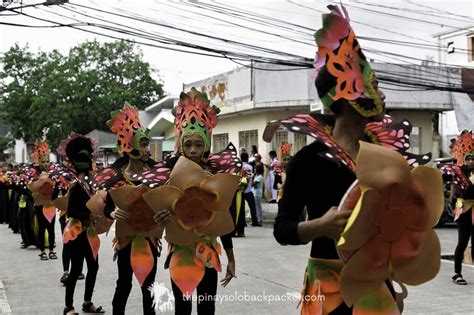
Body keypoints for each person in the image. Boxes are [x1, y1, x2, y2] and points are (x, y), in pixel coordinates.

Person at [152, 88, 237, 315]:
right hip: (180, 253)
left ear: (206, 146)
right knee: (182, 309)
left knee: (207, 308)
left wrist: (230, 258)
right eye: (188, 144)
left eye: (198, 145)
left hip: (208, 253)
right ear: (180, 145)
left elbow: (223, 219)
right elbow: (158, 219)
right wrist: (160, 220)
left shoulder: (215, 178)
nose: (192, 150)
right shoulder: (168, 179)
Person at [100, 103, 160, 315]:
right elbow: (105, 206)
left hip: (149, 236)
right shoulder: (116, 172)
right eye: (143, 144)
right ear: (131, 145)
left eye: (147, 144)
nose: (146, 149)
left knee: (149, 287)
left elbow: (164, 199)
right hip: (125, 238)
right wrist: (112, 213)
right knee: (124, 282)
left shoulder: (155, 170)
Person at [58, 133, 104, 315]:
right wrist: (91, 211)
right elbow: (73, 212)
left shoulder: (92, 185)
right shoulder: (76, 186)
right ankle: (68, 306)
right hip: (77, 232)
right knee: (76, 269)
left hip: (89, 232)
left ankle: (87, 302)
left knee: (93, 266)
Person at [446, 130, 474, 285]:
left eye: (473, 159)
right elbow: (455, 193)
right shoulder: (457, 172)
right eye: (468, 158)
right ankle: (457, 273)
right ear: (464, 158)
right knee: (462, 241)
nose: (471, 161)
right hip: (463, 207)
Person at [240, 152, 259, 226]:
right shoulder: (250, 167)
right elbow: (251, 176)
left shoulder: (239, 166)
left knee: (241, 208)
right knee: (252, 207)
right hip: (248, 189)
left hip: (241, 190)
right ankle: (255, 221)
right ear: (247, 158)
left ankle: (243, 222)